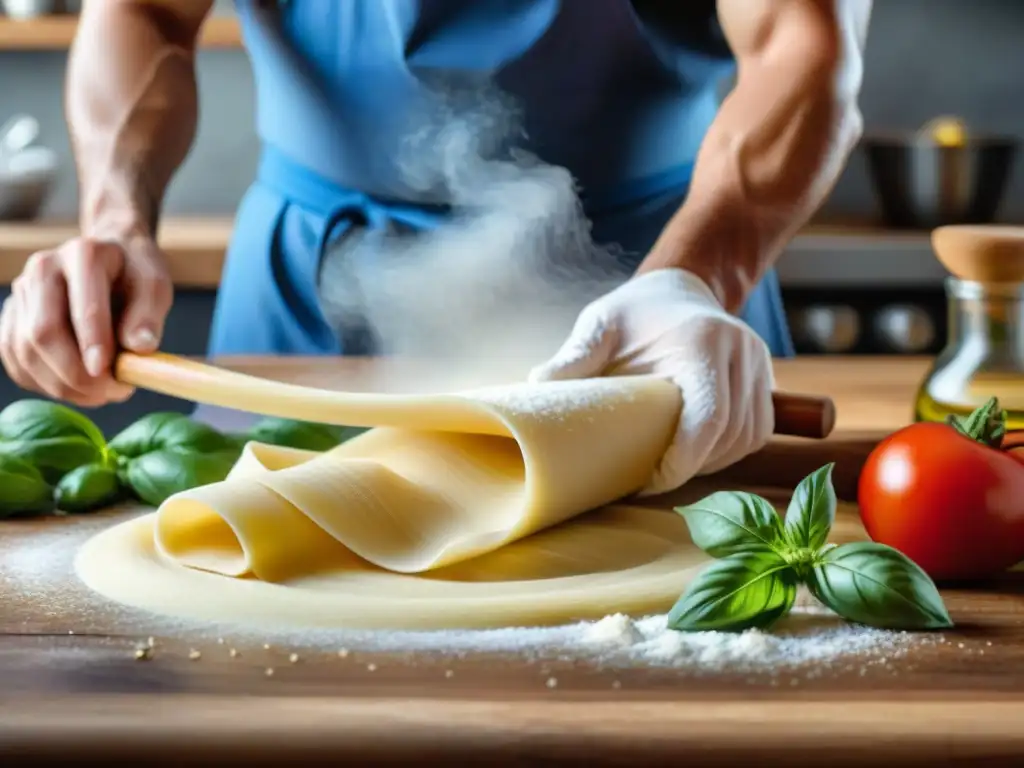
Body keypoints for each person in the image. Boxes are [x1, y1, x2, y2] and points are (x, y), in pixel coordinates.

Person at [0, 0, 871, 495]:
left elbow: (804, 42)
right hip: (306, 305)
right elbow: (144, 11)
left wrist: (696, 277)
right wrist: (114, 221)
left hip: (661, 294)